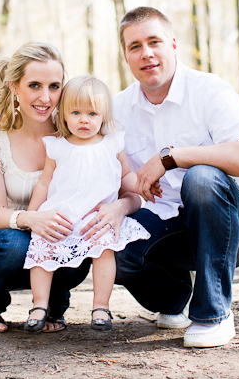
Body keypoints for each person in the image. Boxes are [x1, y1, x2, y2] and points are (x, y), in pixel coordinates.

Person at [112, 7, 239, 348]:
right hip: (170, 225)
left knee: (200, 178)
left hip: (238, 227)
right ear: (126, 56)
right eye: (135, 46)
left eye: (154, 42)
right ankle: (175, 300)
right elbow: (102, 173)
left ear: (172, 44)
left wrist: (173, 157)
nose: (147, 53)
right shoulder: (117, 109)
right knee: (112, 249)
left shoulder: (209, 89)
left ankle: (214, 314)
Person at [0, 42, 139, 334]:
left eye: (54, 86)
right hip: (6, 235)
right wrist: (32, 218)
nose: (45, 98)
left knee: (80, 241)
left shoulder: (74, 126)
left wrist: (119, 207)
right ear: (15, 86)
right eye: (34, 85)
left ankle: (54, 303)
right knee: (15, 246)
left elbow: (125, 187)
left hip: (60, 230)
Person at [22, 76, 149, 332]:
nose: (84, 119)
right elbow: (45, 184)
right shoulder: (57, 146)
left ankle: (101, 306)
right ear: (63, 115)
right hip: (60, 217)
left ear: (103, 116)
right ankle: (39, 305)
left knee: (104, 252)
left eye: (92, 113)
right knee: (42, 253)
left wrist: (144, 185)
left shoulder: (112, 142)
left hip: (96, 218)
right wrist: (32, 214)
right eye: (76, 112)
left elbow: (126, 176)